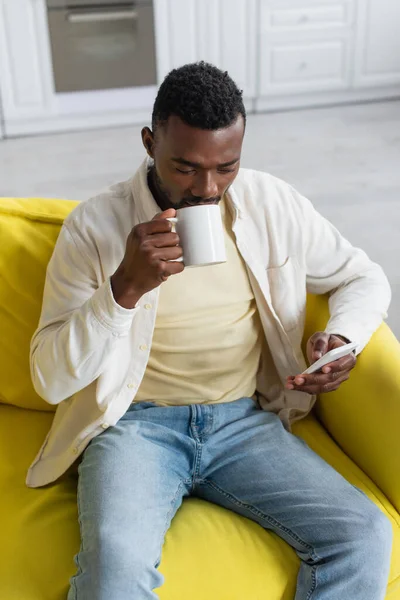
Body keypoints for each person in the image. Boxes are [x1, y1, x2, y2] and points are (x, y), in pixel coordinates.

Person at [28, 62, 392, 599]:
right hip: (135, 427)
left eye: (227, 167)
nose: (207, 189)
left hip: (245, 422)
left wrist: (343, 337)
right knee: (114, 574)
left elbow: (362, 275)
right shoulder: (94, 228)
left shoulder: (272, 203)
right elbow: (48, 378)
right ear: (150, 143)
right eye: (186, 167)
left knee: (363, 533)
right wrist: (123, 289)